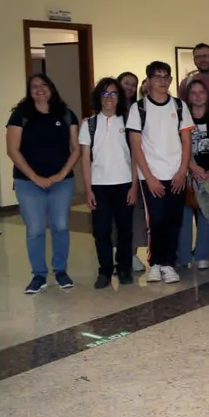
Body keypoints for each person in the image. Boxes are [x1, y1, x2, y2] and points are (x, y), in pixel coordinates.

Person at [6, 73, 80, 294]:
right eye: (34, 86)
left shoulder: (66, 114)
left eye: (44, 85)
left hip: (62, 182)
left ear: (51, 88)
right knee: (36, 229)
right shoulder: (20, 115)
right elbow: (12, 150)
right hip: (28, 183)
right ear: (29, 91)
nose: (39, 89)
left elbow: (76, 149)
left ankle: (60, 270)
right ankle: (38, 274)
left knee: (60, 226)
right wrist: (35, 177)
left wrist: (61, 174)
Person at [127, 61, 194, 285]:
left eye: (166, 76)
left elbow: (186, 141)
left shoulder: (179, 106)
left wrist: (182, 170)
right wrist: (149, 177)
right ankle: (155, 263)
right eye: (157, 76)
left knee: (174, 219)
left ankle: (168, 264)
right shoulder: (138, 108)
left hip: (176, 173)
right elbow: (136, 146)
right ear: (148, 81)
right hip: (151, 175)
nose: (162, 81)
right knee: (155, 220)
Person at [80, 77, 137, 289]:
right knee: (101, 231)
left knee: (125, 230)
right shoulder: (89, 125)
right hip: (99, 186)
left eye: (114, 93)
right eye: (105, 94)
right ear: (99, 97)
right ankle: (104, 270)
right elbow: (85, 160)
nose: (110, 98)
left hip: (123, 184)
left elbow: (134, 157)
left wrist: (134, 186)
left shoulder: (128, 122)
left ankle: (124, 268)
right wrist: (88, 190)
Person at [177, 79, 209, 272]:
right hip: (186, 172)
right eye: (193, 92)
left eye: (200, 91)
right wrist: (191, 166)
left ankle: (203, 255)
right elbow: (177, 144)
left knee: (207, 214)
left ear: (207, 94)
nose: (197, 95)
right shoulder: (181, 117)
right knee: (184, 216)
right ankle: (183, 256)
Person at [118, 71, 147, 273]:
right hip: (113, 170)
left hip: (135, 168)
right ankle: (118, 254)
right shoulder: (110, 110)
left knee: (135, 214)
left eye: (132, 85)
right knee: (115, 215)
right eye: (126, 83)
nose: (129, 88)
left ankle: (133, 254)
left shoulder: (138, 110)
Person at [178, 43, 209, 111]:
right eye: (198, 57)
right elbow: (182, 111)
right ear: (194, 60)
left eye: (206, 56)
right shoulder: (186, 83)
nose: (202, 60)